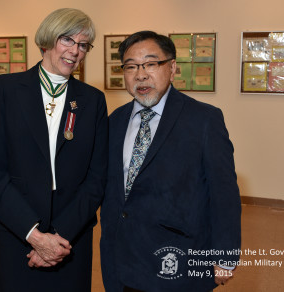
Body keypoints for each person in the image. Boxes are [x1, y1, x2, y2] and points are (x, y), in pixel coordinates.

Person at [100, 31, 241, 292]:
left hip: (177, 260)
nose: (140, 75)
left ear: (173, 68)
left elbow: (224, 195)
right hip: (122, 258)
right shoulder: (114, 121)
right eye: (131, 66)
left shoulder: (204, 120)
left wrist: (225, 256)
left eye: (151, 64)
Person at [0, 8, 108, 291]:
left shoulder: (93, 100)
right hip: (15, 227)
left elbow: (96, 178)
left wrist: (58, 238)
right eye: (67, 40)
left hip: (69, 235)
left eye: (83, 45)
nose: (75, 51)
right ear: (48, 40)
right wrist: (35, 236)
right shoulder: (6, 89)